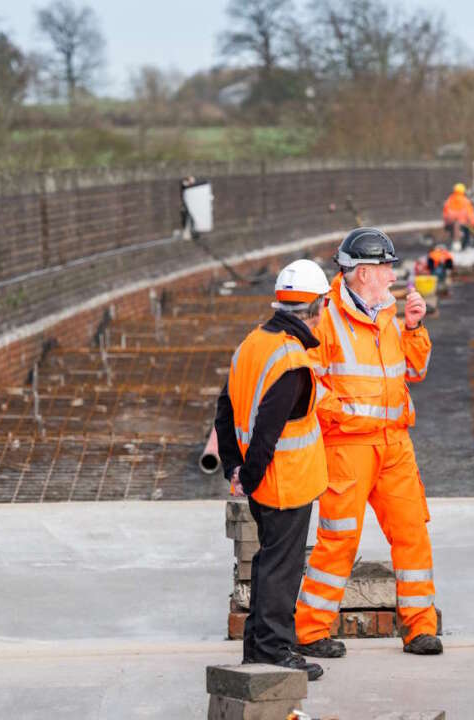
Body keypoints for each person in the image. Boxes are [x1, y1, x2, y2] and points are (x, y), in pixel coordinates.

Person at [294, 227, 443, 658]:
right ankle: (310, 631)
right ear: (361, 274)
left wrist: (413, 328)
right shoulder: (324, 317)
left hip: (395, 446)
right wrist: (347, 415)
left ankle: (419, 628)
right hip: (348, 448)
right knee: (339, 538)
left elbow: (414, 372)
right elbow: (306, 382)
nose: (392, 276)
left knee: (412, 533)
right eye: (385, 267)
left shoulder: (386, 312)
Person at [213, 259, 332, 681]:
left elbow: (225, 410)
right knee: (281, 568)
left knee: (268, 563)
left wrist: (235, 467)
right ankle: (275, 650)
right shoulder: (291, 361)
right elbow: (268, 428)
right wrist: (252, 472)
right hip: (285, 483)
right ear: (316, 308)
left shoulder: (251, 344)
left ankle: (258, 646)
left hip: (262, 482)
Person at [442, 183, 474, 249]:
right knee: (466, 235)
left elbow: (445, 214)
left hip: (451, 223)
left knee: (453, 234)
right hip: (463, 224)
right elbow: (470, 214)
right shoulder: (466, 201)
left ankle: (454, 244)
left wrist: (446, 224)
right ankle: (463, 246)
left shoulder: (449, 200)